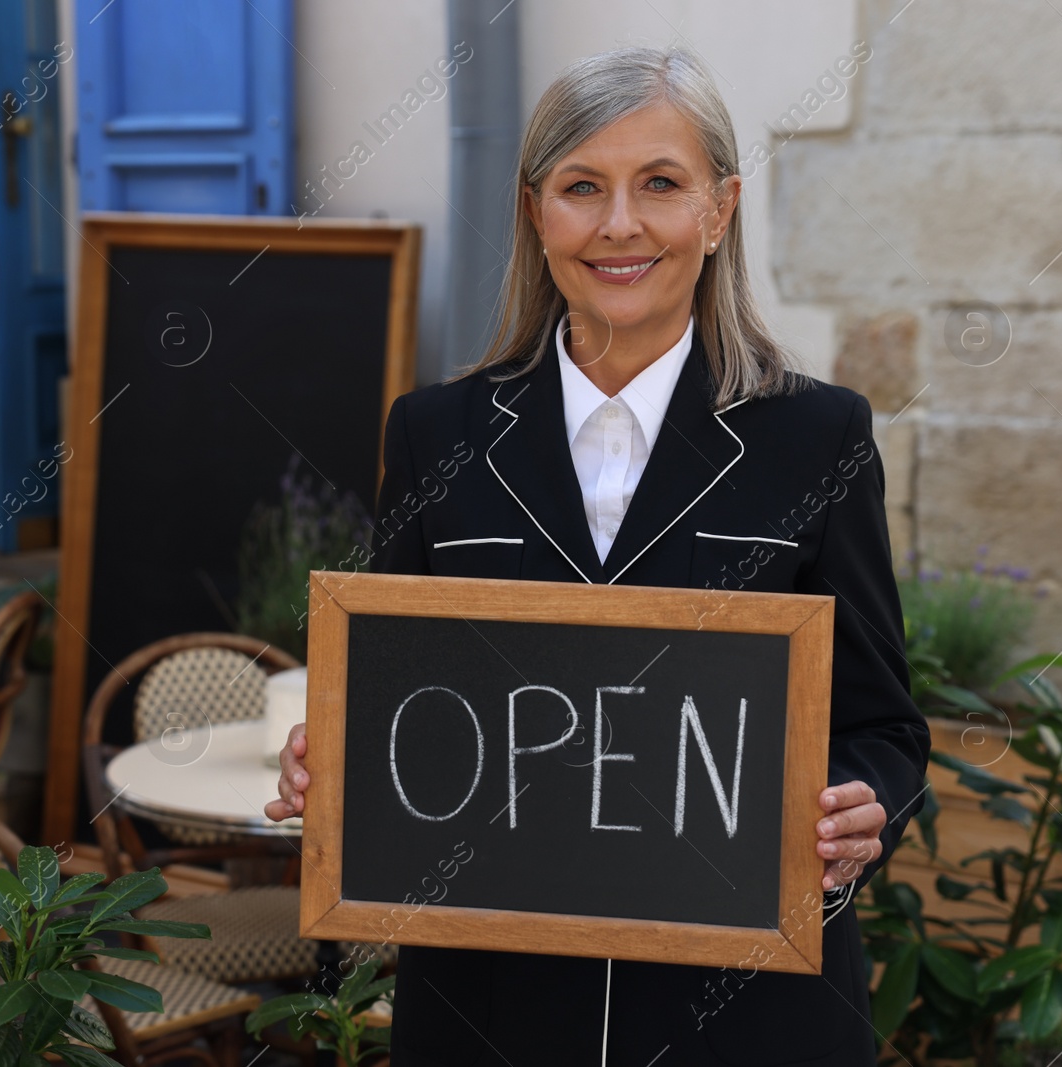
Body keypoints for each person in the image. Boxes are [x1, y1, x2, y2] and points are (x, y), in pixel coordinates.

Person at [265, 45, 929, 1066]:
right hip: (496, 1002)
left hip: (742, 1006)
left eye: (659, 184)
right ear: (538, 214)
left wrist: (860, 802)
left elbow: (883, 723)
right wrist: (339, 762)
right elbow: (394, 692)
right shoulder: (435, 435)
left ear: (719, 211)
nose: (619, 224)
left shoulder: (817, 437)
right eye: (582, 187)